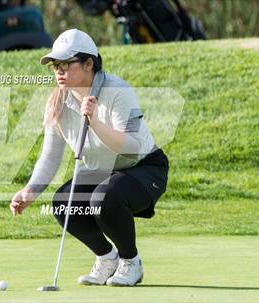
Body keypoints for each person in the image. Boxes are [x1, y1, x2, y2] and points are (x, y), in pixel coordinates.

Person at [9, 28, 169, 287]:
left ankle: (131, 262)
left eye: (65, 64)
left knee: (103, 198)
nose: (59, 70)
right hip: (103, 173)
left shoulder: (117, 90)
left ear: (88, 64)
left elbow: (132, 147)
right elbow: (50, 156)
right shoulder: (58, 102)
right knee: (63, 202)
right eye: (55, 65)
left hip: (144, 169)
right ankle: (107, 259)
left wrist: (94, 122)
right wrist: (30, 190)